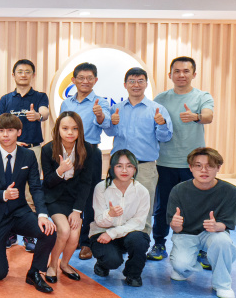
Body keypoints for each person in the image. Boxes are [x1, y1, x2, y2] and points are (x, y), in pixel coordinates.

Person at [0, 114, 57, 293]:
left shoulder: (28, 156)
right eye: (1, 131)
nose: (6, 135)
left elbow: (36, 187)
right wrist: (2, 194)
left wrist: (43, 215)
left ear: (19, 132)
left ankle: (35, 272)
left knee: (49, 231)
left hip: (19, 212)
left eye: (10, 130)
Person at [148, 57, 215, 264]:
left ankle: (202, 249)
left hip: (193, 165)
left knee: (198, 206)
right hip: (166, 161)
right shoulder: (160, 98)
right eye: (176, 71)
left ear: (194, 74)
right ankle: (159, 243)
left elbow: (208, 116)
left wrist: (195, 116)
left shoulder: (202, 96)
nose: (181, 75)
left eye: (186, 71)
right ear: (170, 75)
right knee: (163, 206)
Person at [103, 67, 173, 236]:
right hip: (119, 167)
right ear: (125, 84)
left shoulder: (157, 109)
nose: (136, 85)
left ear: (146, 84)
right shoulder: (116, 108)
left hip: (145, 167)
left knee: (144, 207)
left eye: (140, 81)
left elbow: (165, 137)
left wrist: (162, 124)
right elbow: (110, 133)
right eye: (132, 81)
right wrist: (111, 123)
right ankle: (116, 241)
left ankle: (142, 242)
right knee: (116, 204)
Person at [168, 147, 236, 298]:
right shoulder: (178, 190)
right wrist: (176, 224)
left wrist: (217, 226)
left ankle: (222, 284)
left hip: (212, 234)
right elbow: (176, 228)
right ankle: (184, 267)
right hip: (186, 234)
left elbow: (226, 224)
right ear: (191, 168)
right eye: (198, 165)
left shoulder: (230, 191)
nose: (204, 170)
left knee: (222, 241)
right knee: (181, 267)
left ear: (218, 168)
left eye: (210, 166)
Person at [0, 59, 50, 252]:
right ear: (14, 75)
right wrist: (11, 141)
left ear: (33, 75)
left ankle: (30, 234)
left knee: (30, 191)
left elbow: (45, 112)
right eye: (20, 71)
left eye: (28, 71)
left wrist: (38, 116)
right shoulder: (6, 99)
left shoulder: (40, 96)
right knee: (8, 189)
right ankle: (9, 233)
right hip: (9, 148)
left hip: (33, 150)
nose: (24, 75)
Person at [59, 62, 109, 260]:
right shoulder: (67, 103)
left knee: (90, 197)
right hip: (68, 151)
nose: (85, 81)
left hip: (90, 152)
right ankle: (71, 237)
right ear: (74, 80)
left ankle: (87, 242)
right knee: (68, 193)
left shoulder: (100, 102)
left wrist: (100, 116)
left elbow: (106, 126)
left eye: (90, 78)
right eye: (81, 78)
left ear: (95, 80)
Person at [40, 112, 96, 283]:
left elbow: (86, 183)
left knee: (74, 235)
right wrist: (60, 170)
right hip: (54, 198)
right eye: (65, 128)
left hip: (74, 201)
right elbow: (48, 182)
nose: (70, 132)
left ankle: (64, 264)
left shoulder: (88, 150)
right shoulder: (48, 149)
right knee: (64, 230)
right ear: (58, 130)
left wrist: (77, 211)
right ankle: (52, 265)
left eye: (74, 128)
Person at [89, 149, 151, 287]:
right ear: (112, 168)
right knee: (112, 260)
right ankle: (102, 263)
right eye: (119, 166)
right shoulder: (101, 188)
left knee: (140, 241)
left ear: (135, 168)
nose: (124, 170)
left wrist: (113, 233)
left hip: (127, 234)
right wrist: (109, 215)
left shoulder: (142, 191)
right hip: (101, 233)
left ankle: (133, 274)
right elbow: (99, 220)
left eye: (129, 166)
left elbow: (139, 222)